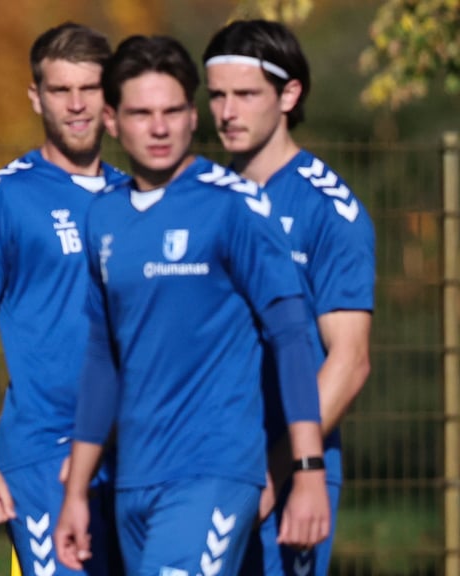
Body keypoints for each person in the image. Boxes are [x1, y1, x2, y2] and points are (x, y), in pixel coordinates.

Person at [53, 35, 331, 575]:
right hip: (134, 481)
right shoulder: (102, 218)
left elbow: (293, 338)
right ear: (111, 119)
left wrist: (309, 469)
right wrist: (77, 492)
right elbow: (101, 360)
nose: (159, 128)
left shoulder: (235, 207)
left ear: (191, 115)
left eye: (173, 111)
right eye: (141, 113)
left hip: (215, 472)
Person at [0, 22, 125, 576]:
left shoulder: (140, 197)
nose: (75, 105)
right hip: (45, 452)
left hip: (139, 452)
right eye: (60, 90)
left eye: (89, 89)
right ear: (36, 97)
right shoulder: (7, 195)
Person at [203, 20, 375, 576]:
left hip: (286, 476)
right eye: (218, 96)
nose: (228, 112)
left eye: (246, 95)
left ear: (289, 94)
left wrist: (278, 473)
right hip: (200, 465)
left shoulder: (330, 210)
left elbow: (348, 363)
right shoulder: (199, 197)